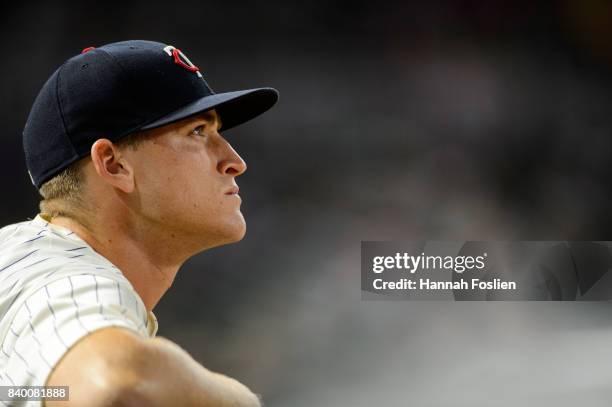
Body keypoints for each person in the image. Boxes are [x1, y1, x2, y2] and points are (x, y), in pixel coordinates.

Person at [0, 40, 278, 406]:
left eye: (218, 133)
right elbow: (121, 385)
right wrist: (238, 400)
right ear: (114, 165)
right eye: (197, 131)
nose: (234, 161)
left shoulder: (24, 257)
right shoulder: (68, 279)